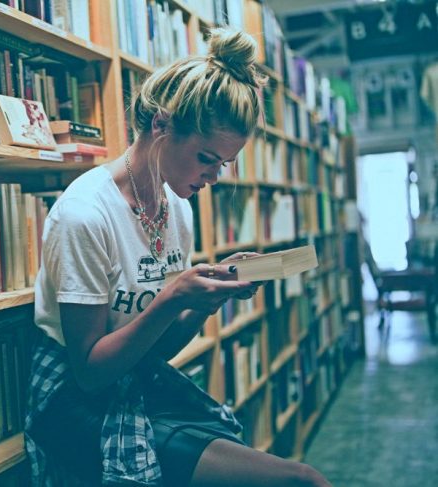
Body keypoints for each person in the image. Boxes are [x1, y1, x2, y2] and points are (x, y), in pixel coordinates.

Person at [24, 27, 332, 487]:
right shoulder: (85, 214)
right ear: (161, 126)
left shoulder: (178, 211)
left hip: (135, 382)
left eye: (223, 164)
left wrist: (202, 304)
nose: (214, 176)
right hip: (72, 399)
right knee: (298, 480)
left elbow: (155, 352)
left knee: (291, 475)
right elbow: (90, 373)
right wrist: (172, 298)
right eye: (207, 158)